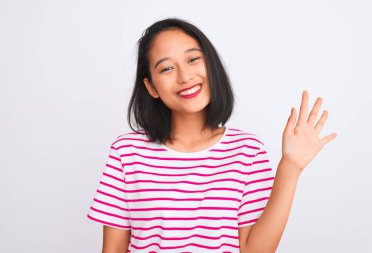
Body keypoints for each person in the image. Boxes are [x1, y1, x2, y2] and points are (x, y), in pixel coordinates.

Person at [86, 18, 337, 253]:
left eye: (193, 59)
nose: (185, 77)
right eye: (167, 68)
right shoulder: (126, 152)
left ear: (210, 64)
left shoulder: (247, 151)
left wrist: (290, 167)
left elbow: (255, 250)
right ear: (151, 87)